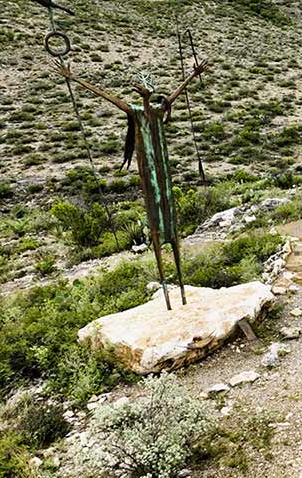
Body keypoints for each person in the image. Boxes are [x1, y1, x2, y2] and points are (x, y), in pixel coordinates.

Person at [52, 58, 208, 310]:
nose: (151, 97)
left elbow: (175, 94)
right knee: (156, 223)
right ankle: (167, 289)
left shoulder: (157, 111)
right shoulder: (136, 112)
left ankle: (179, 284)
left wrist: (192, 75)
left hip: (162, 166)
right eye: (148, 95)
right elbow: (107, 96)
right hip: (149, 168)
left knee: (170, 217)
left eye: (151, 95)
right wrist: (74, 79)